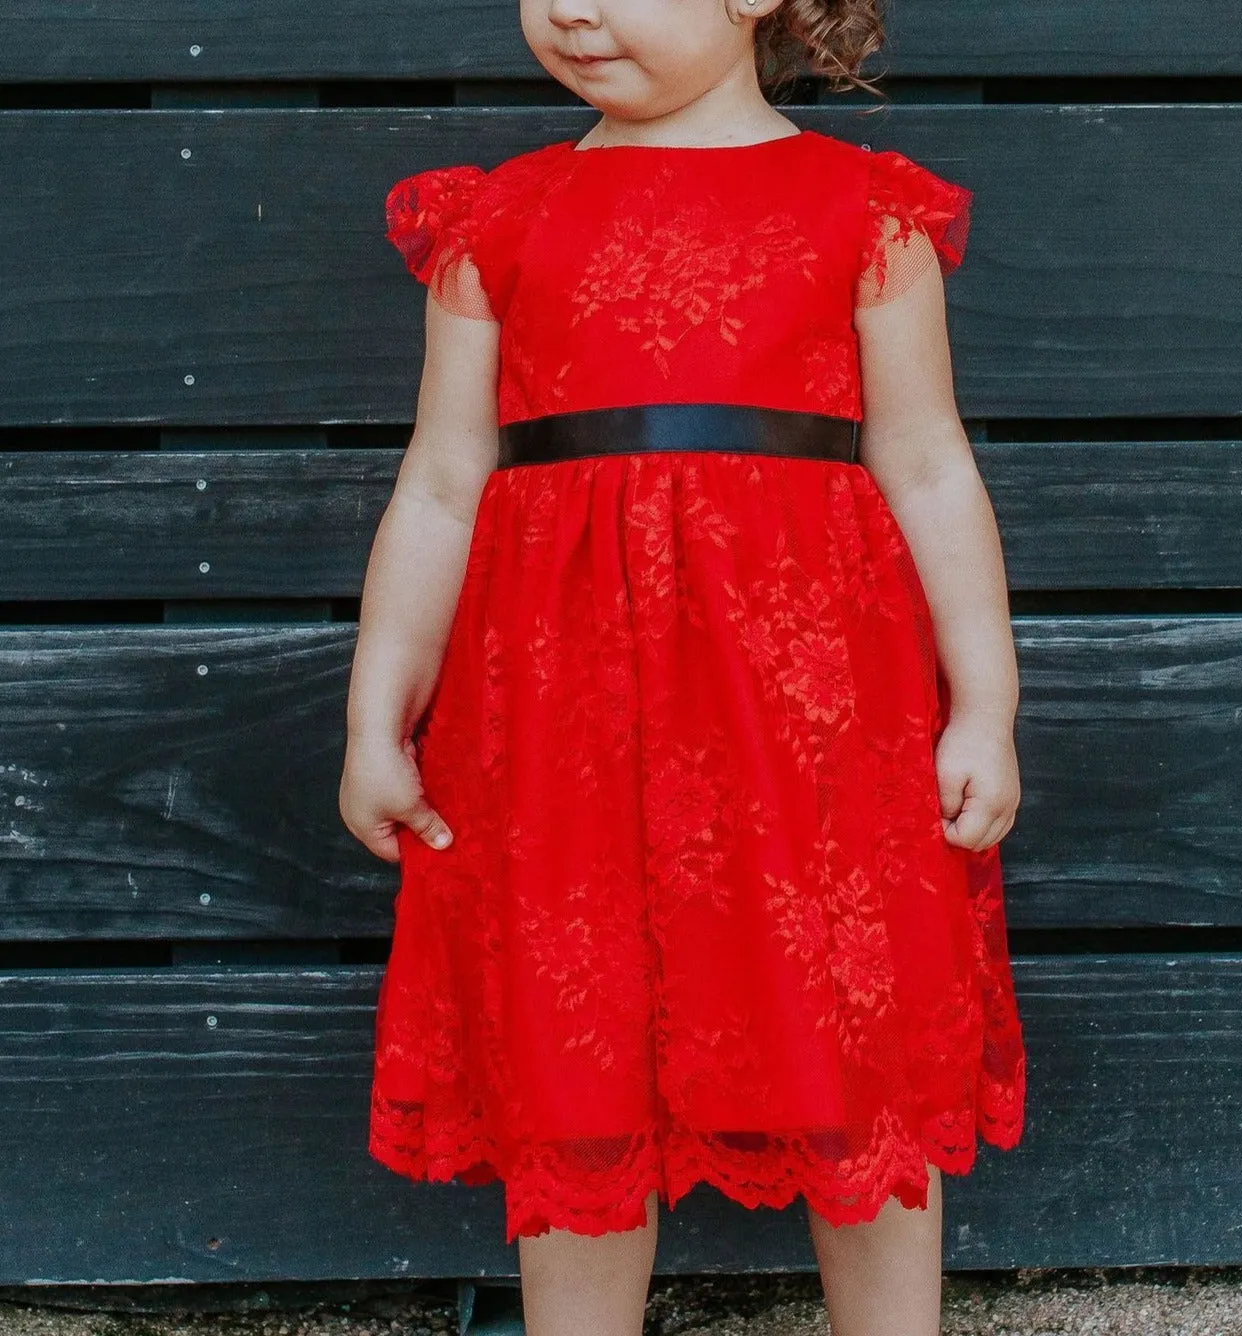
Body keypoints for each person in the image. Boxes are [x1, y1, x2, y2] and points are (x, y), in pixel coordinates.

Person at [340, 0, 1027, 1330]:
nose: (573, 9)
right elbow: (440, 483)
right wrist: (381, 713)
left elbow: (930, 464)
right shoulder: (500, 221)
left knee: (852, 1037)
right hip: (560, 726)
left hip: (818, 729)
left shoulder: (862, 213)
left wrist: (985, 704)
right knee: (572, 1050)